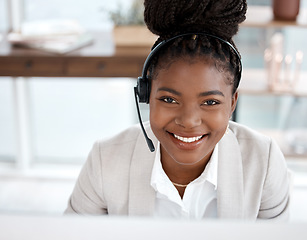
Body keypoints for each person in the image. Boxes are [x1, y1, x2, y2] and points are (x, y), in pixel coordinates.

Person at [65, 0, 291, 220]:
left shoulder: (264, 162)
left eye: (210, 102)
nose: (189, 121)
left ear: (232, 103)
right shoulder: (105, 161)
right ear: (146, 96)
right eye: (169, 99)